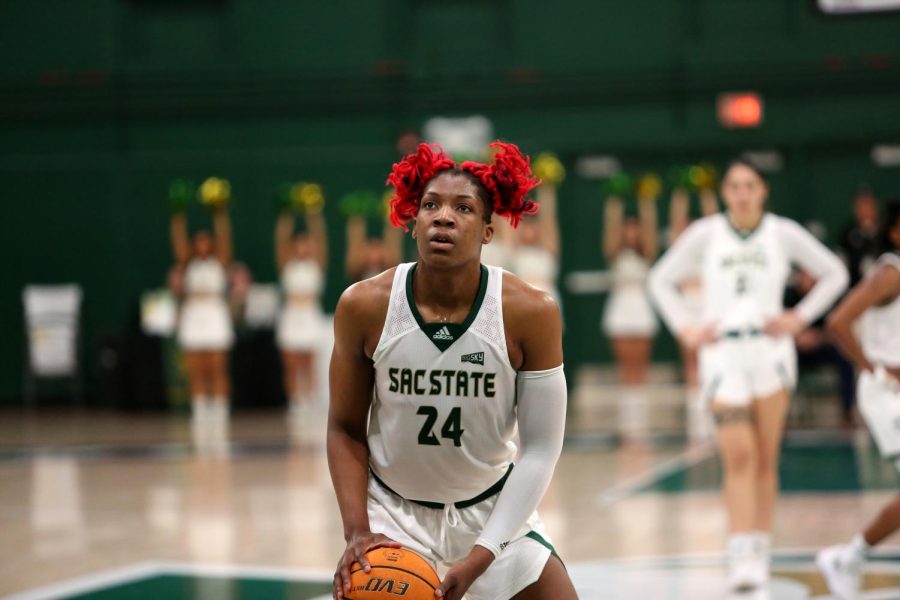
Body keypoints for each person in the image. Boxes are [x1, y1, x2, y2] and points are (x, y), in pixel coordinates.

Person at [328, 141, 576, 600]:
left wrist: (482, 555)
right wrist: (357, 532)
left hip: (493, 510)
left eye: (463, 208)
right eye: (430, 205)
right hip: (393, 517)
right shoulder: (364, 305)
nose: (443, 216)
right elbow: (344, 428)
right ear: (412, 220)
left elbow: (540, 449)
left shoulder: (530, 312)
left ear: (487, 230)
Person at [648, 157, 848, 592]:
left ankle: (760, 548)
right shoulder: (705, 235)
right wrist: (685, 327)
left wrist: (801, 317)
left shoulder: (782, 232)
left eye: (750, 185)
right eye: (735, 185)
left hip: (770, 352)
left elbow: (836, 273)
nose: (742, 193)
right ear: (724, 192)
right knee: (737, 456)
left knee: (763, 458)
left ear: (763, 191)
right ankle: (739, 551)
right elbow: (660, 278)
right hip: (722, 354)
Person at [817, 200, 900, 600]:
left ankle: (847, 558)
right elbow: (838, 321)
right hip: (888, 393)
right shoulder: (889, 273)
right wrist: (872, 369)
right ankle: (847, 557)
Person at [170, 196, 234, 451]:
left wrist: (219, 211)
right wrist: (178, 215)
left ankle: (219, 409)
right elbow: (177, 241)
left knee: (217, 365)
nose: (203, 245)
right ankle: (199, 408)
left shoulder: (220, 261)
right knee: (196, 366)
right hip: (194, 315)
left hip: (215, 314)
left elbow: (225, 237)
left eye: (207, 241)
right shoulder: (188, 264)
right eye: (199, 241)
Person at [275, 194, 328, 442]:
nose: (303, 247)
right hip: (292, 314)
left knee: (308, 360)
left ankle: (310, 399)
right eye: (299, 243)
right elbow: (280, 241)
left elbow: (321, 239)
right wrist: (287, 214)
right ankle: (295, 401)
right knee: (291, 361)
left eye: (306, 243)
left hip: (309, 313)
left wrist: (312, 213)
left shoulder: (316, 264)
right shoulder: (287, 264)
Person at [601, 180, 659, 385]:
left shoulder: (646, 252)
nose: (631, 233)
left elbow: (650, 225)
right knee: (623, 360)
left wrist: (646, 197)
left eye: (636, 228)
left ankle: (640, 405)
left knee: (641, 360)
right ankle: (627, 406)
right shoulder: (615, 253)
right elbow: (611, 227)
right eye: (628, 228)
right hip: (621, 303)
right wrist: (615, 199)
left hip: (641, 303)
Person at [839, 187, 881, 288]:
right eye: (861, 206)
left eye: (868, 205)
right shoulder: (848, 232)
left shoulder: (884, 232)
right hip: (854, 288)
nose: (865, 211)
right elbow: (842, 259)